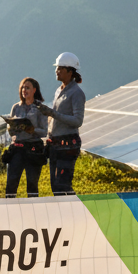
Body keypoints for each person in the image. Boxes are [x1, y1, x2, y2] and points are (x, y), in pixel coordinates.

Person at [38, 52, 86, 195]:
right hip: (55, 144)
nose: (56, 71)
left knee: (63, 185)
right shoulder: (59, 90)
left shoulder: (77, 93)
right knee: (55, 185)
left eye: (60, 68)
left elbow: (77, 121)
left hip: (67, 145)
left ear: (70, 72)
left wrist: (53, 113)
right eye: (57, 68)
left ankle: (74, 207)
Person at [4, 77, 49, 197]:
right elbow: (9, 128)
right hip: (18, 148)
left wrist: (32, 130)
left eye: (27, 88)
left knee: (32, 184)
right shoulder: (16, 107)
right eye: (22, 88)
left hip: (33, 149)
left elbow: (44, 131)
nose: (24, 90)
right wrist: (12, 129)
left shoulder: (40, 108)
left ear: (34, 90)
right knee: (11, 183)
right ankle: (10, 206)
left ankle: (32, 206)